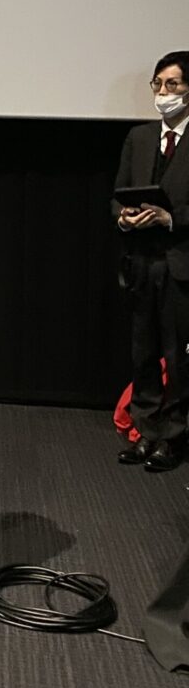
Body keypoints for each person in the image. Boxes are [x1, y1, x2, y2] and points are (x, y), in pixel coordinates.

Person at [113, 50, 189, 472]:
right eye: (157, 84)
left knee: (177, 357)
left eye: (172, 84)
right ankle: (145, 430)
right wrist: (124, 218)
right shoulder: (139, 138)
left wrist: (170, 218)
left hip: (180, 263)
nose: (163, 92)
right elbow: (117, 194)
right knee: (143, 352)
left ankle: (173, 437)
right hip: (141, 262)